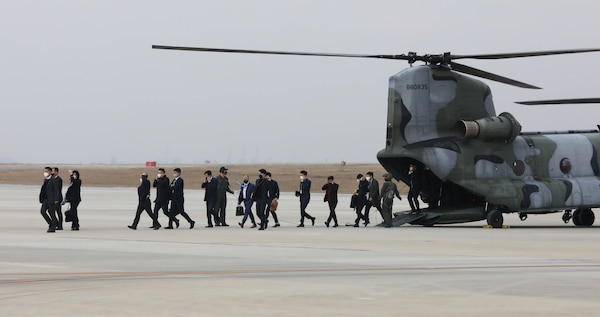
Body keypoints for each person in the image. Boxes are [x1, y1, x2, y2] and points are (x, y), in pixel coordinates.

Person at [46, 167, 64, 232]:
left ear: (56, 172)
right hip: (52, 198)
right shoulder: (52, 179)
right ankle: (56, 223)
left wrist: (57, 198)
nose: (52, 172)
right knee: (53, 211)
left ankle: (60, 225)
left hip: (57, 198)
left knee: (58, 212)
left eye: (53, 171)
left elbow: (58, 189)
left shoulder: (59, 179)